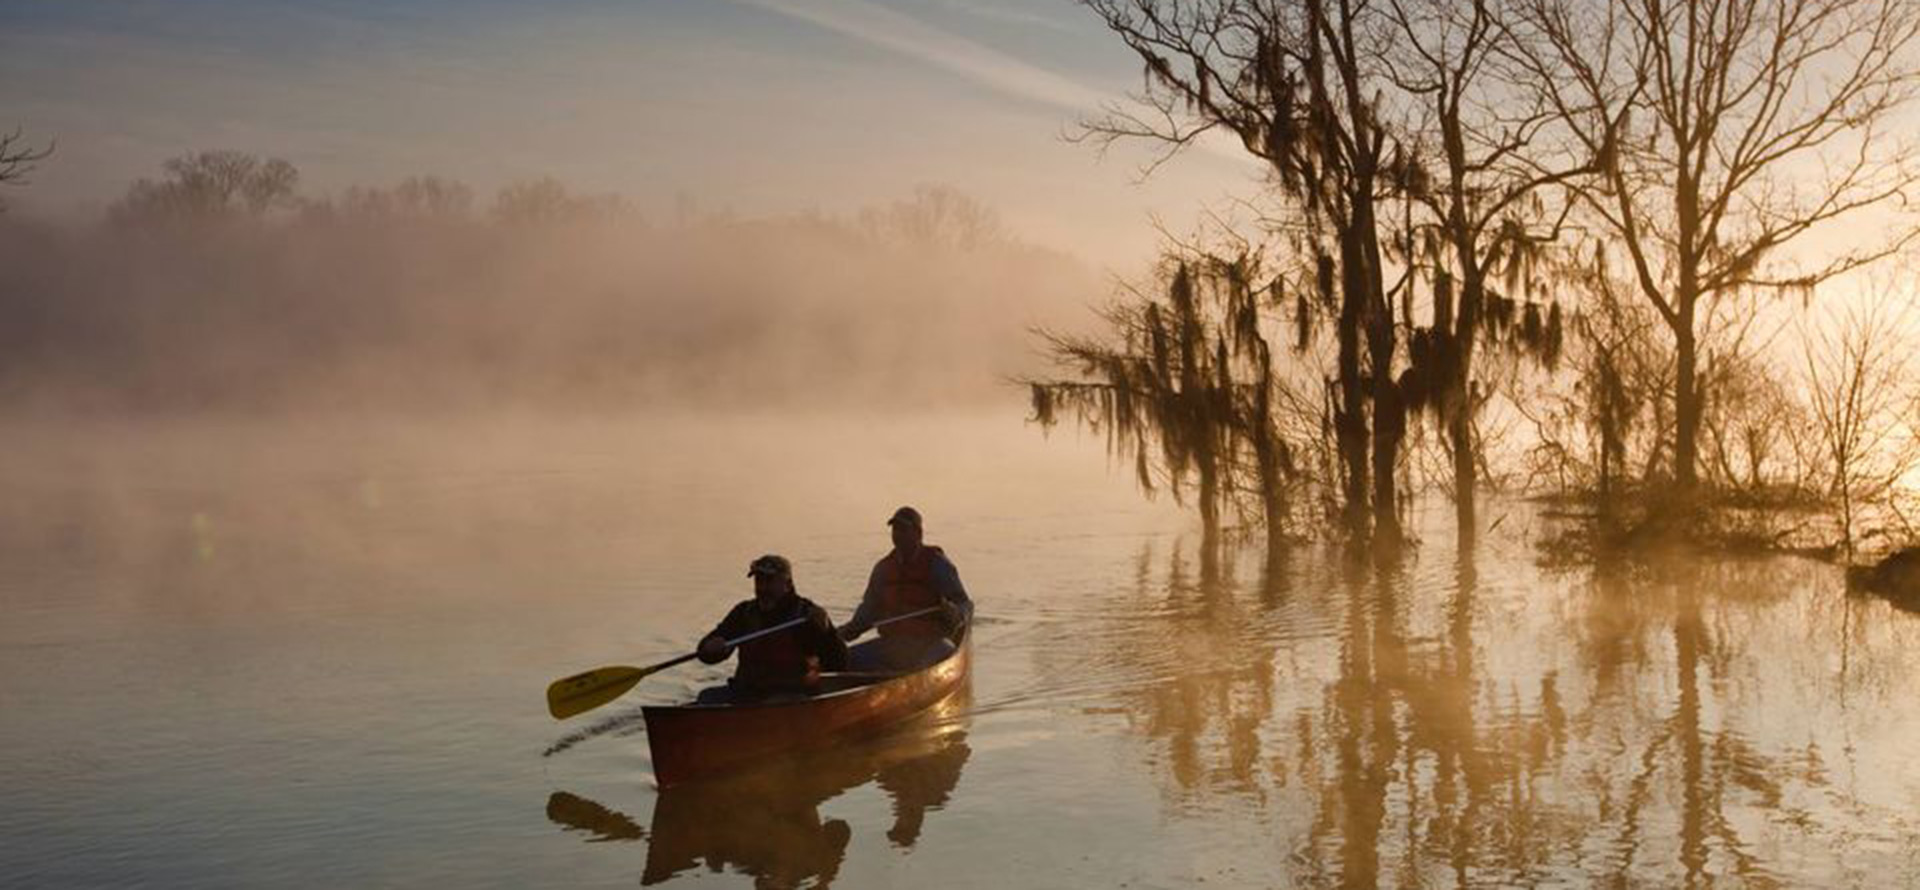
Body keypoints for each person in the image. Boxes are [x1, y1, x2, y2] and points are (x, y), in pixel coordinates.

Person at [694, 554, 847, 702]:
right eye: (759, 581)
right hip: (747, 693)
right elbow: (706, 653)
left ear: (787, 584)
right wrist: (710, 647)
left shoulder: (806, 615)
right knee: (706, 697)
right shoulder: (744, 612)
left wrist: (825, 632)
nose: (762, 588)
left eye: (769, 581)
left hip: (793, 697)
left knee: (776, 701)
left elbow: (839, 662)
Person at [839, 506, 973, 672]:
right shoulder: (883, 569)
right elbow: (868, 611)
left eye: (903, 529)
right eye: (895, 530)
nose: (898, 535)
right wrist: (844, 633)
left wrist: (953, 612)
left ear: (918, 533)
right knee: (842, 659)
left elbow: (965, 604)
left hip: (930, 643)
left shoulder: (937, 564)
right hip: (891, 644)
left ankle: (912, 679)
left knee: (932, 663)